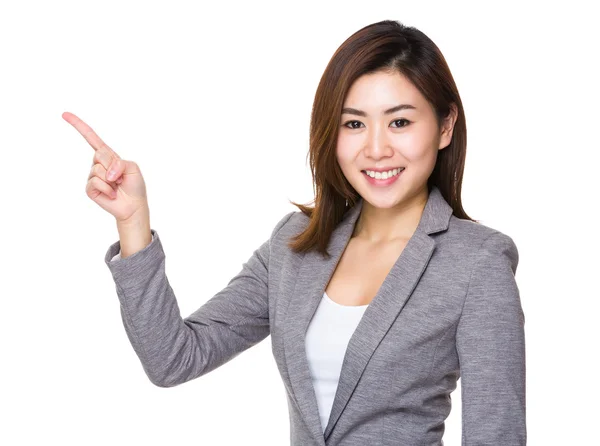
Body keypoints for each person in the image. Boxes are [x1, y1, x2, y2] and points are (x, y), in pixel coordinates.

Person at [64, 19, 526, 446]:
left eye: (400, 121)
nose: (377, 148)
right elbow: (174, 359)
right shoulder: (297, 244)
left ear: (445, 126)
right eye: (354, 123)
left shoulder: (477, 262)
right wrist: (133, 221)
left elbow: (496, 434)